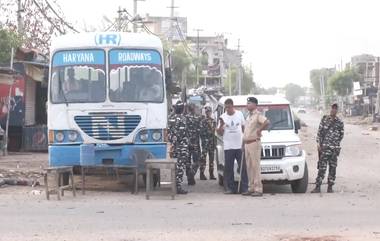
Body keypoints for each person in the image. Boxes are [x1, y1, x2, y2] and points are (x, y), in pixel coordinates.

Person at [217, 98, 248, 194]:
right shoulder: (223, 117)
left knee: (243, 168)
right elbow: (220, 133)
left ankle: (244, 188)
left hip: (239, 146)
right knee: (228, 168)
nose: (228, 110)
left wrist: (244, 140)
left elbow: (243, 128)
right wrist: (221, 125)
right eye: (226, 108)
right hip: (228, 146)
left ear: (232, 106)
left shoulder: (239, 114)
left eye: (229, 107)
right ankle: (230, 188)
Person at [311, 103, 344, 193]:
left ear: (337, 110)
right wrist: (318, 143)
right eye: (332, 108)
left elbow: (341, 135)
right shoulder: (324, 119)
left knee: (333, 168)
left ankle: (330, 187)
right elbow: (319, 132)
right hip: (324, 148)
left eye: (335, 108)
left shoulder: (340, 122)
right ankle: (318, 187)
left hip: (334, 149)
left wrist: (335, 143)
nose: (334, 110)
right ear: (330, 109)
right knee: (322, 167)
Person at [243, 97, 269, 197]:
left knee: (255, 167)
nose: (247, 105)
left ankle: (258, 189)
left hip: (254, 143)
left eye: (249, 103)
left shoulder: (257, 115)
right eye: (247, 103)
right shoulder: (248, 116)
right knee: (249, 167)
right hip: (247, 144)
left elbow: (267, 122)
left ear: (254, 104)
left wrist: (260, 130)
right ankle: (251, 188)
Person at [167, 101, 189, 194]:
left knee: (175, 166)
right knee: (180, 167)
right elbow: (181, 134)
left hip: (174, 146)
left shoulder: (170, 118)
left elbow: (168, 133)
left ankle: (174, 185)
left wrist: (172, 143)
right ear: (182, 109)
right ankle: (177, 187)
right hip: (181, 146)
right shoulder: (183, 119)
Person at [200, 106, 217, 180]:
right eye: (207, 112)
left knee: (211, 159)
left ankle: (211, 174)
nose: (208, 113)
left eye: (209, 112)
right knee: (203, 159)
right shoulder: (203, 121)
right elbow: (201, 132)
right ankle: (202, 173)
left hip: (211, 142)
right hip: (205, 142)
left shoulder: (213, 121)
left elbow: (215, 131)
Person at [185, 103, 201, 185]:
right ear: (194, 109)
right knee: (197, 161)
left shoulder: (185, 118)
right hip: (195, 143)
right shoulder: (198, 118)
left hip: (187, 143)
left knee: (187, 161)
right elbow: (200, 130)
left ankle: (189, 178)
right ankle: (192, 172)